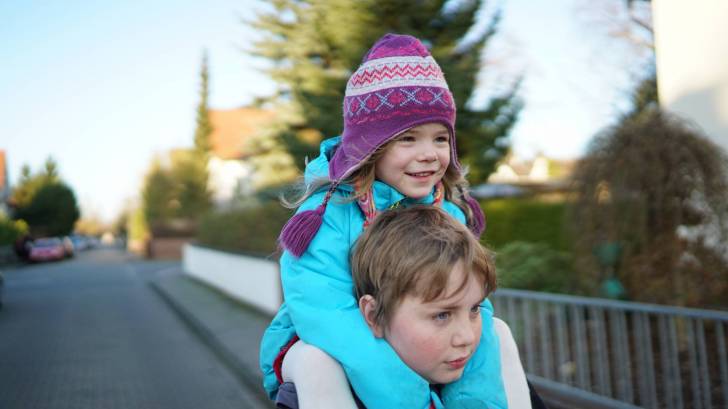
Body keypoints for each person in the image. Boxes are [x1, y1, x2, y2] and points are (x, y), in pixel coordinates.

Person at [259, 33, 506, 409]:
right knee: (317, 363)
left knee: (495, 330)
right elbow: (327, 316)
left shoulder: (448, 214)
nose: (429, 155)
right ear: (370, 145)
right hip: (328, 341)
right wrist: (412, 401)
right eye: (407, 138)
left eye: (440, 138)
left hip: (407, 336)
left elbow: (471, 305)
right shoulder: (329, 215)